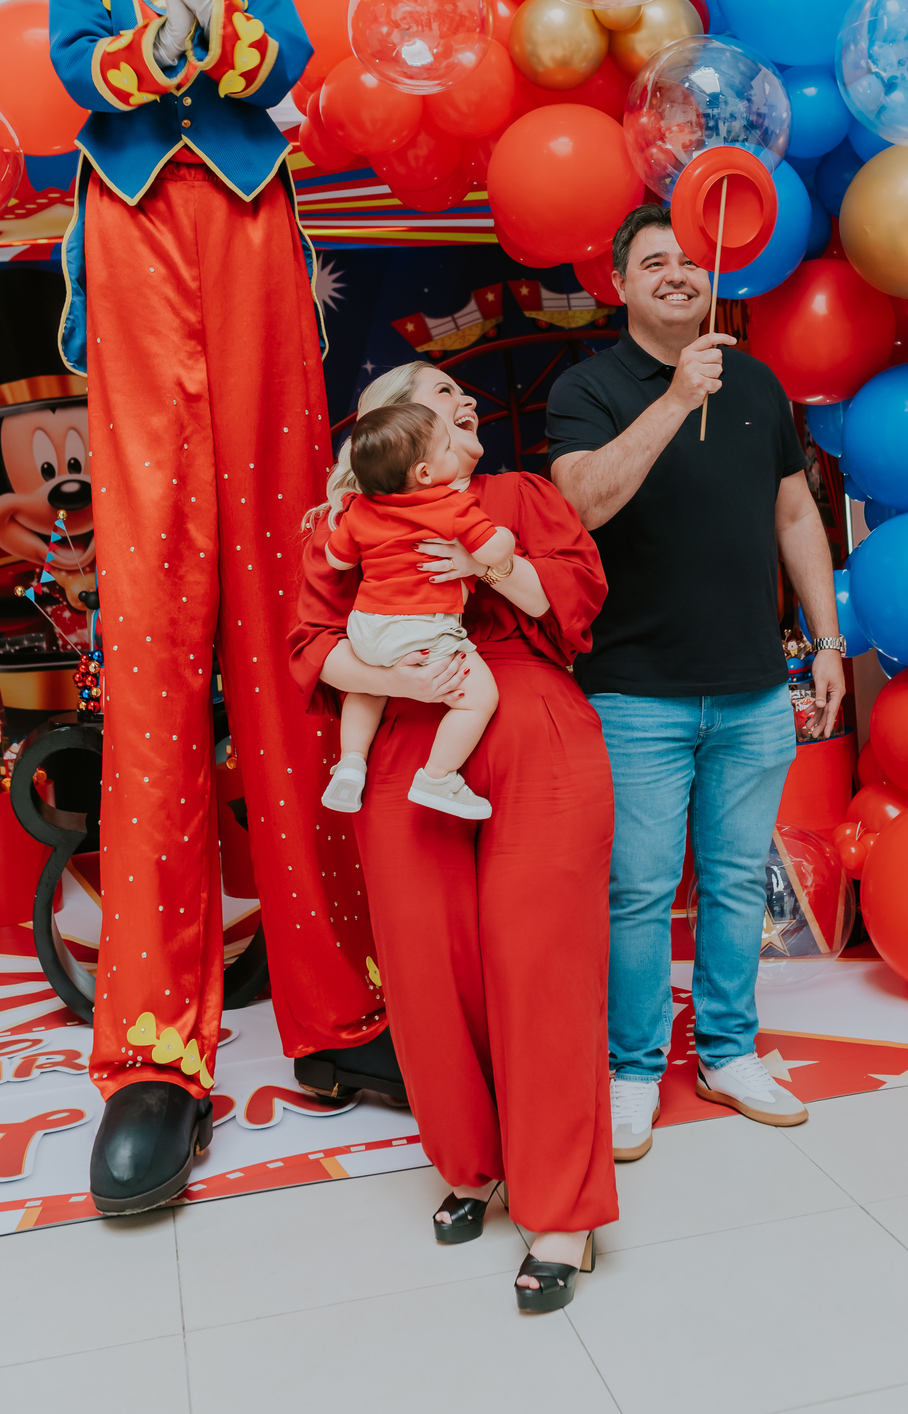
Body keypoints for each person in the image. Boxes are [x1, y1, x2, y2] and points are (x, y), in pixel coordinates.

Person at [46, 0, 403, 1216]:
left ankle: (339, 1002)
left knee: (287, 625)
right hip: (136, 242)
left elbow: (283, 66)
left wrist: (213, 21)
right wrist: (168, 36)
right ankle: (154, 1045)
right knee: (152, 640)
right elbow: (85, 75)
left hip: (252, 242)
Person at [289, 361, 616, 1313]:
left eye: (466, 395)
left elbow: (575, 603)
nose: (466, 398)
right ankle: (474, 1164)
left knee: (540, 960)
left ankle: (561, 1207)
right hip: (404, 730)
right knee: (430, 968)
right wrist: (399, 680)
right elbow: (310, 643)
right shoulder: (343, 525)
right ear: (391, 426)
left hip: (530, 721)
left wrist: (489, 564)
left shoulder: (518, 495)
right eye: (439, 392)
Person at [546, 203, 846, 1162]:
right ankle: (633, 1068)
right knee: (636, 890)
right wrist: (676, 397)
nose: (677, 272)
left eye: (688, 258)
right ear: (619, 285)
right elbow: (580, 505)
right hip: (634, 692)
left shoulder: (756, 381)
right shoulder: (587, 388)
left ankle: (727, 1053)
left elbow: (794, 515)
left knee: (734, 882)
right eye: (653, 262)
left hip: (753, 689)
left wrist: (827, 639)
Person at [321, 403, 513, 818]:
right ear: (425, 473)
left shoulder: (359, 508)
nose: (453, 452)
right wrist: (506, 538)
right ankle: (438, 777)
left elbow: (337, 560)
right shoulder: (451, 504)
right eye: (447, 448)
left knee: (367, 688)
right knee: (480, 698)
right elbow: (491, 552)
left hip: (368, 627)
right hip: (423, 628)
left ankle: (351, 762)